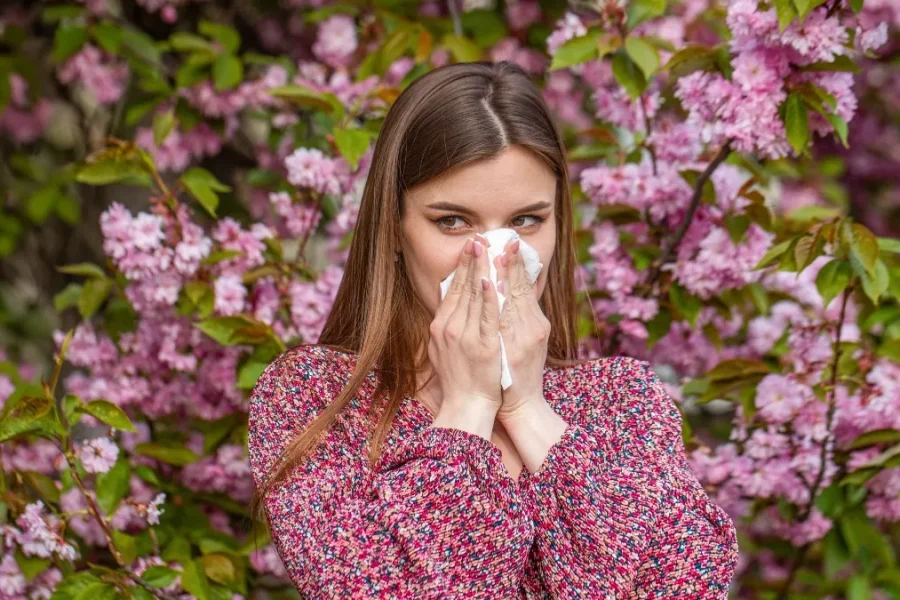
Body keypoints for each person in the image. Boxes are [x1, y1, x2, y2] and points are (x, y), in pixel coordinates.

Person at [248, 60, 739, 599]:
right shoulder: (316, 399)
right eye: (452, 221)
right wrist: (468, 408)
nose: (495, 255)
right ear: (394, 229)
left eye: (526, 221)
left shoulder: (620, 401)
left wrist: (528, 409)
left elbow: (686, 584)